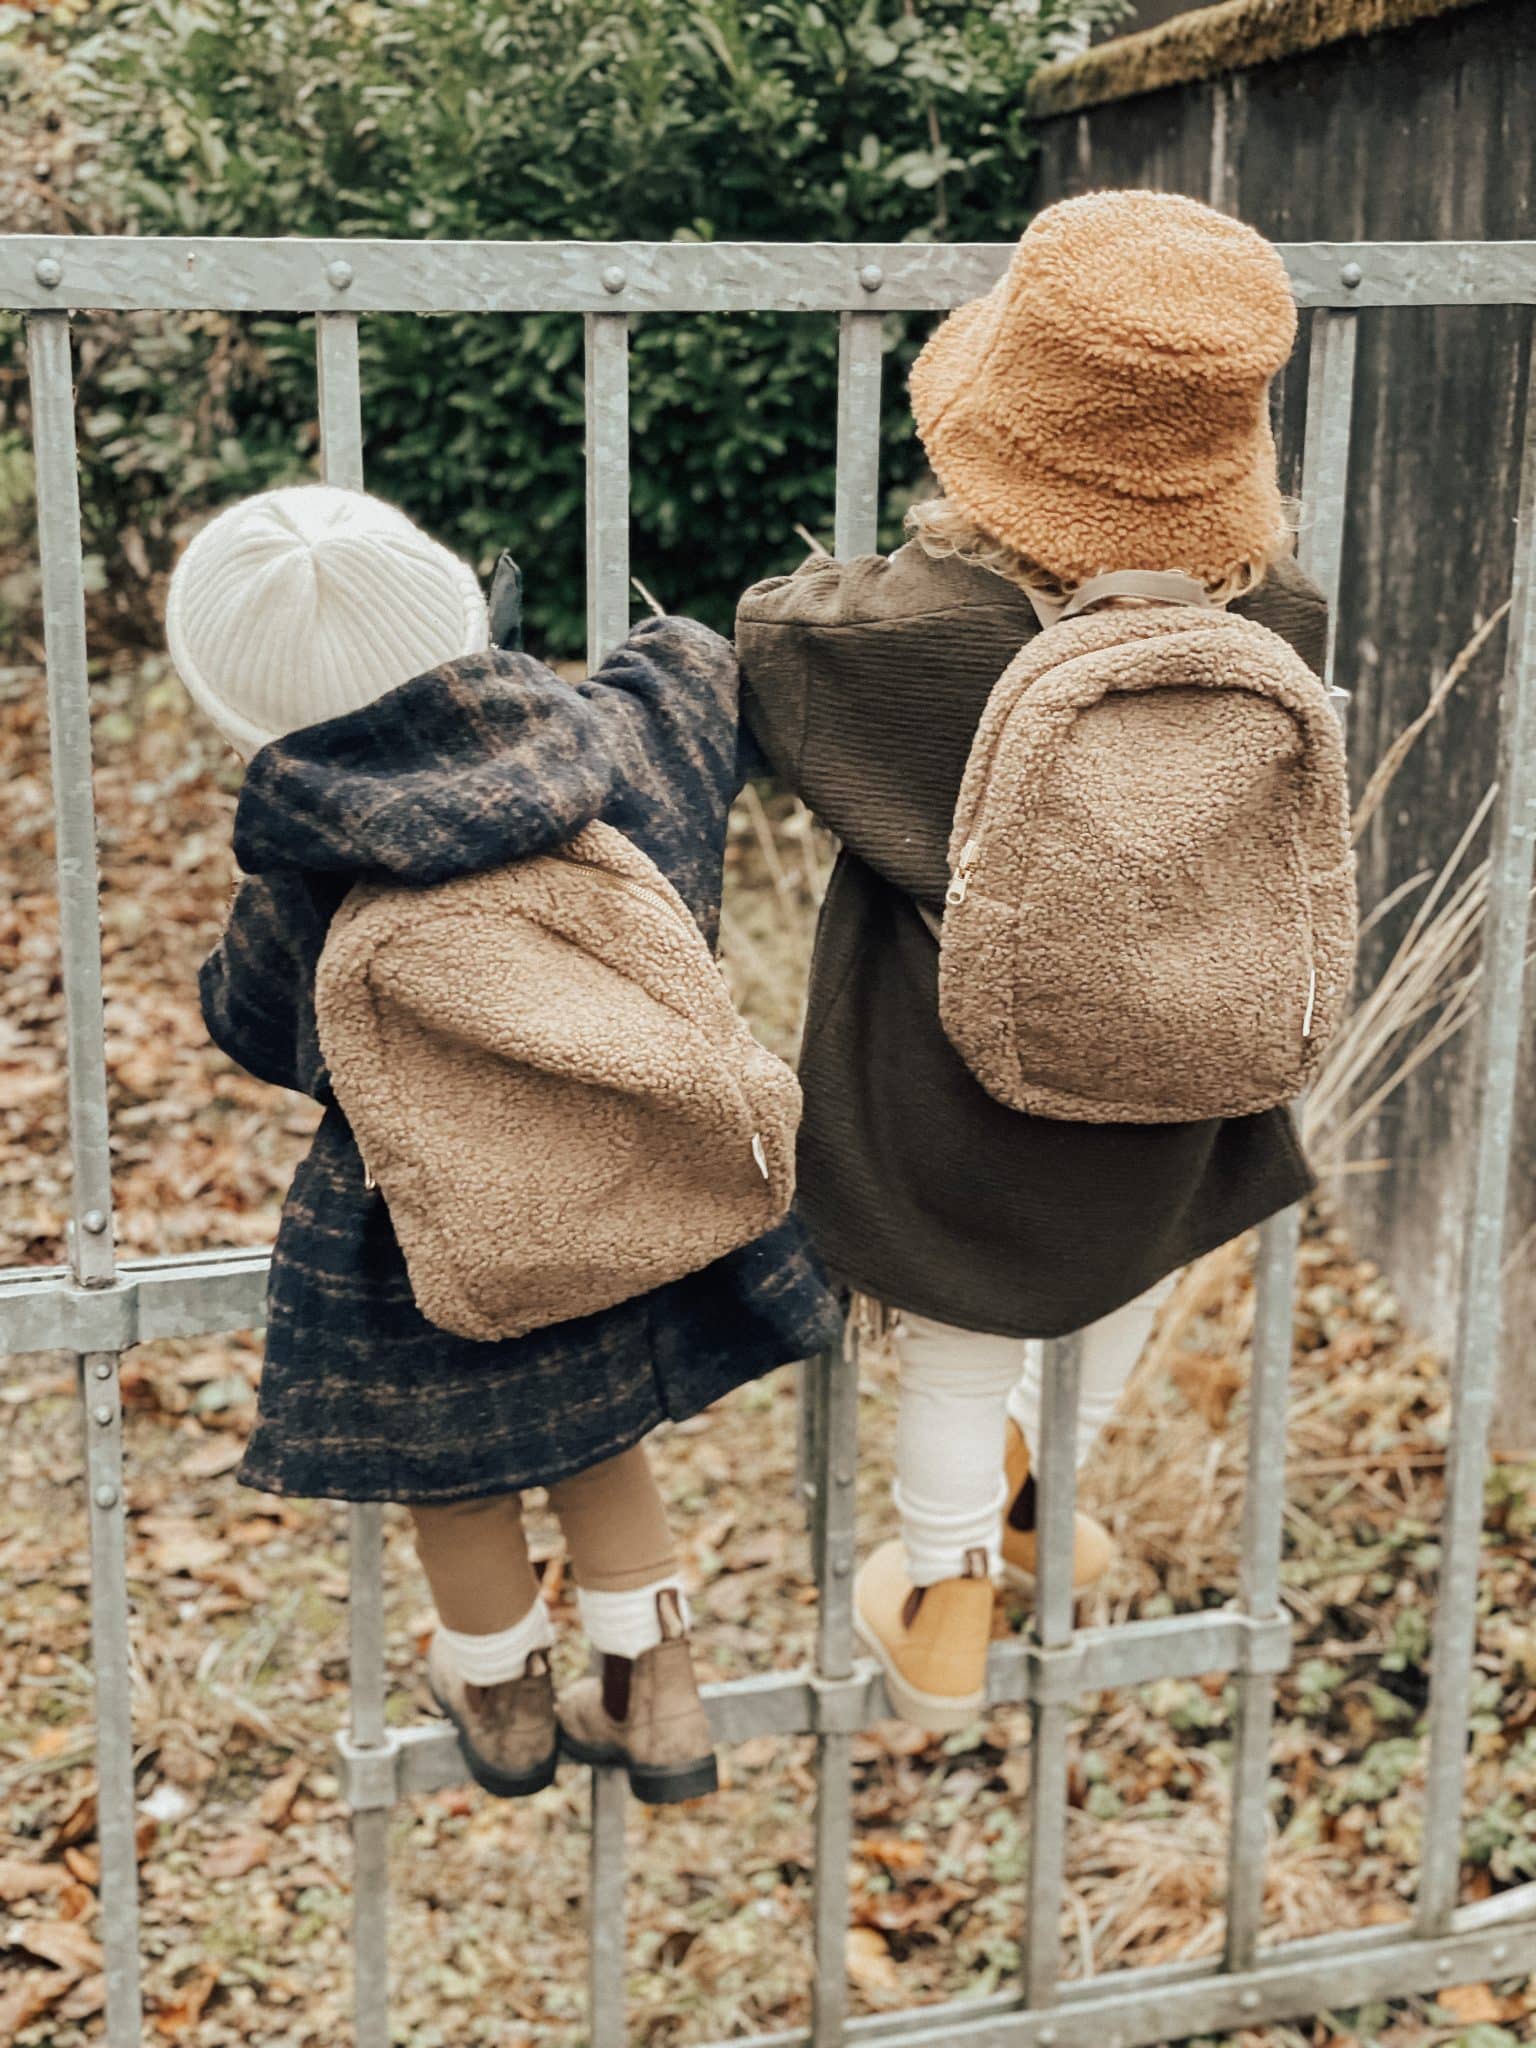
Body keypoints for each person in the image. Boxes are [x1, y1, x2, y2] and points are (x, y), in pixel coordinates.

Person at [735, 190, 1331, 1733]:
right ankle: (1031, 1506)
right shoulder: (1280, 624)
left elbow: (775, 628)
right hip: (1181, 1067)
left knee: (950, 1339)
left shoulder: (896, 639)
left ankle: (941, 1604)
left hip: (951, 1075)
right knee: (1123, 1284)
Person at [169, 484, 842, 1800]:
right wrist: (663, 653)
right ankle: (658, 1691)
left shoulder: (304, 861)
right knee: (601, 1442)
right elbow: (699, 688)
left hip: (427, 1235)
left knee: (456, 1479)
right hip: (618, 1183)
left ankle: (502, 1696)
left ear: (250, 712)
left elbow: (250, 1025)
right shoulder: (599, 750)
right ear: (458, 613)